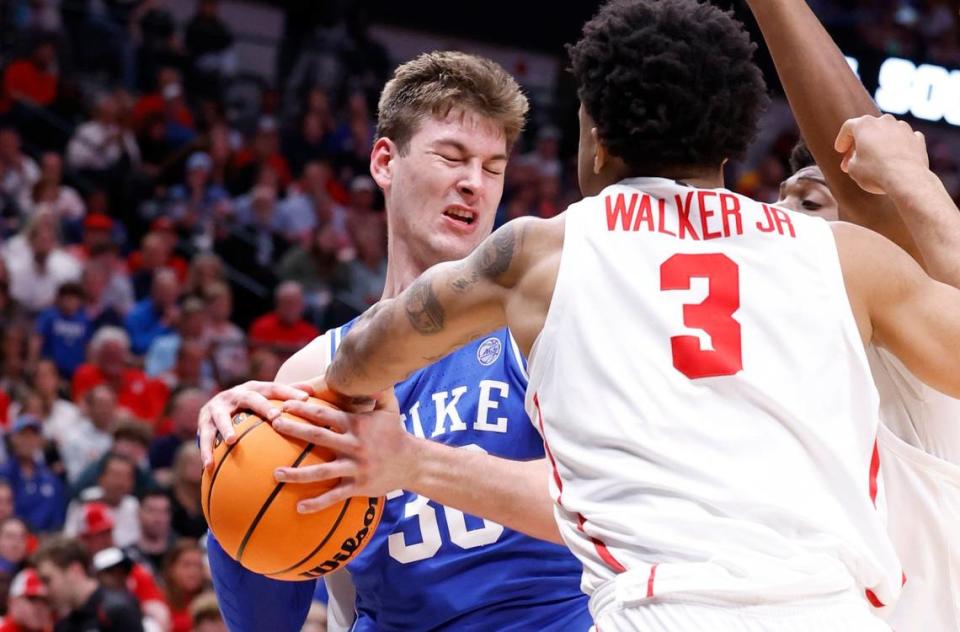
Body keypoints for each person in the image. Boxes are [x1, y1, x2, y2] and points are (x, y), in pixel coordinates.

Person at [318, 1, 960, 629]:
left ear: (596, 141)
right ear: (732, 144)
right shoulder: (841, 255)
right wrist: (914, 178)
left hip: (659, 605)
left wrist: (351, 393)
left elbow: (372, 345)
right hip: (832, 607)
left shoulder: (540, 253)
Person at [199, 51, 589, 632]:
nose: (472, 184)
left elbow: (603, 509)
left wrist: (410, 463)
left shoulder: (542, 324)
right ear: (385, 160)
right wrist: (233, 470)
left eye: (492, 167)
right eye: (452, 156)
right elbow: (265, 621)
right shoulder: (316, 368)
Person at [746, 1, 960, 629]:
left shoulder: (910, 336)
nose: (780, 217)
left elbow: (862, 180)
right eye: (778, 200)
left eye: (810, 204)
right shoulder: (761, 343)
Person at [33, 537, 144, 632]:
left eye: (47, 580)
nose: (44, 590)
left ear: (74, 571)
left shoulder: (117, 610)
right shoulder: (64, 625)